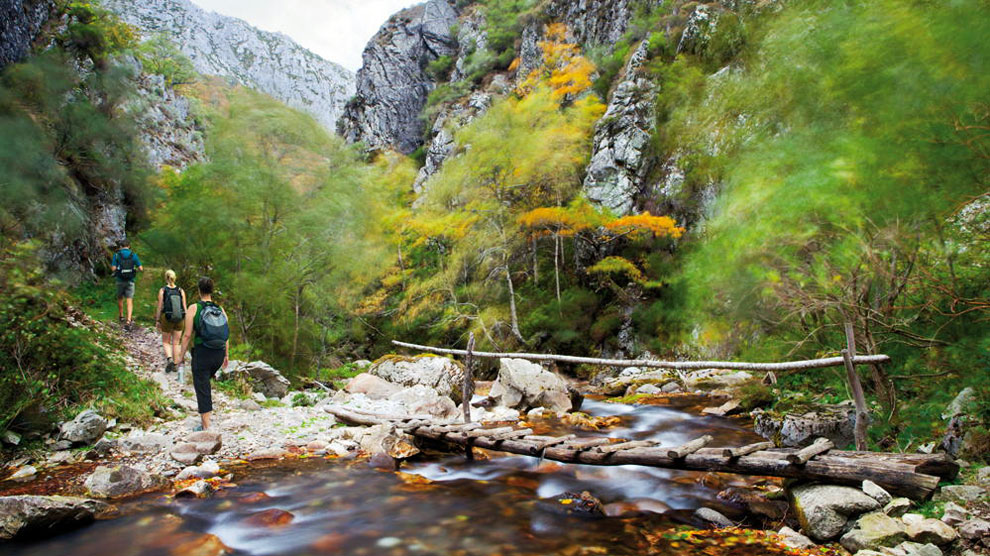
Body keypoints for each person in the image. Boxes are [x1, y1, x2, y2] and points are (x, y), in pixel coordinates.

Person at [178, 276, 230, 431]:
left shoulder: (194, 308)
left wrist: (180, 357)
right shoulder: (220, 309)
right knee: (206, 381)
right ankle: (207, 419)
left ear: (199, 290)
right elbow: (226, 333)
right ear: (212, 290)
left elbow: (187, 335)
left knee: (202, 386)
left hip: (203, 353)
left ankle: (206, 426)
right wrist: (226, 355)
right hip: (219, 353)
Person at [154, 270, 187, 374]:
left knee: (166, 341)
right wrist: (185, 320)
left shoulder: (163, 290)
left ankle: (169, 359)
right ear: (175, 277)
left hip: (167, 318)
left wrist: (158, 320)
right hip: (179, 319)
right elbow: (184, 308)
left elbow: (160, 307)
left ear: (166, 278)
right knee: (176, 342)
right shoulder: (181, 290)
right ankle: (176, 365)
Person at [110, 239, 143, 327]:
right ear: (129, 246)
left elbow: (113, 268)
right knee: (129, 300)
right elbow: (141, 268)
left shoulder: (116, 255)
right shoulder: (134, 255)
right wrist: (134, 270)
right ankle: (128, 320)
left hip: (120, 280)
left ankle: (121, 316)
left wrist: (118, 270)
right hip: (130, 281)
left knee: (120, 298)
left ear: (121, 246)